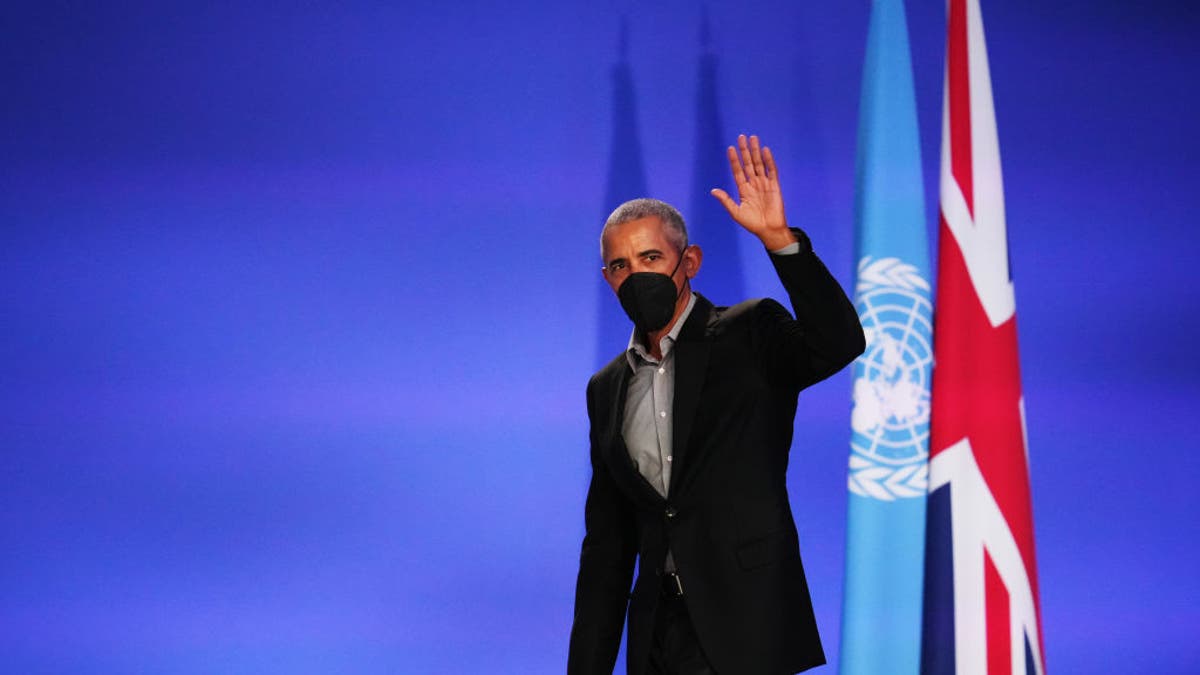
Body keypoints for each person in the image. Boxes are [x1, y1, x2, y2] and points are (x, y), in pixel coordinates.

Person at [567, 135, 865, 675]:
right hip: (658, 637)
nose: (636, 275)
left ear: (691, 261)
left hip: (746, 628)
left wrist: (781, 243)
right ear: (608, 280)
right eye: (619, 265)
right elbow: (608, 547)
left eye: (651, 256)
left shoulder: (748, 333)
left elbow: (839, 342)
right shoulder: (606, 388)